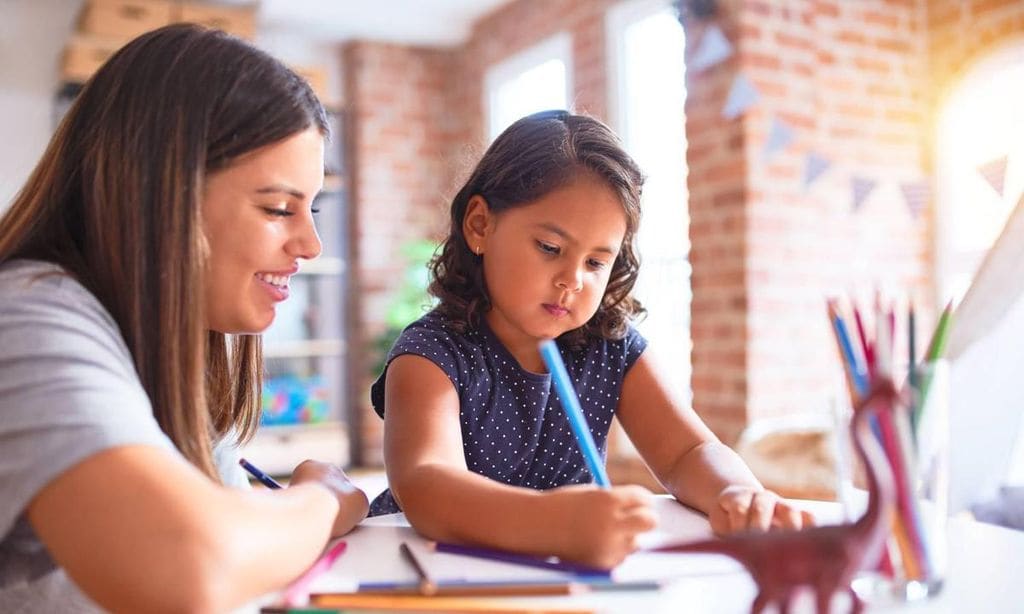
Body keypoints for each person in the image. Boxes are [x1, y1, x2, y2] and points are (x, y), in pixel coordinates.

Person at [0, 24, 368, 612]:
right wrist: (318, 499)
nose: (311, 244)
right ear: (160, 195)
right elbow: (193, 563)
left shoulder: (173, 346)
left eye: (312, 208)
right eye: (278, 208)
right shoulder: (26, 318)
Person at [370, 109, 813, 569]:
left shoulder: (611, 346)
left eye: (596, 262)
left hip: (564, 581)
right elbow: (425, 484)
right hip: (430, 575)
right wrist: (551, 524)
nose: (572, 280)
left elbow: (688, 452)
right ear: (480, 225)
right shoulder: (431, 353)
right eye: (550, 248)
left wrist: (736, 492)